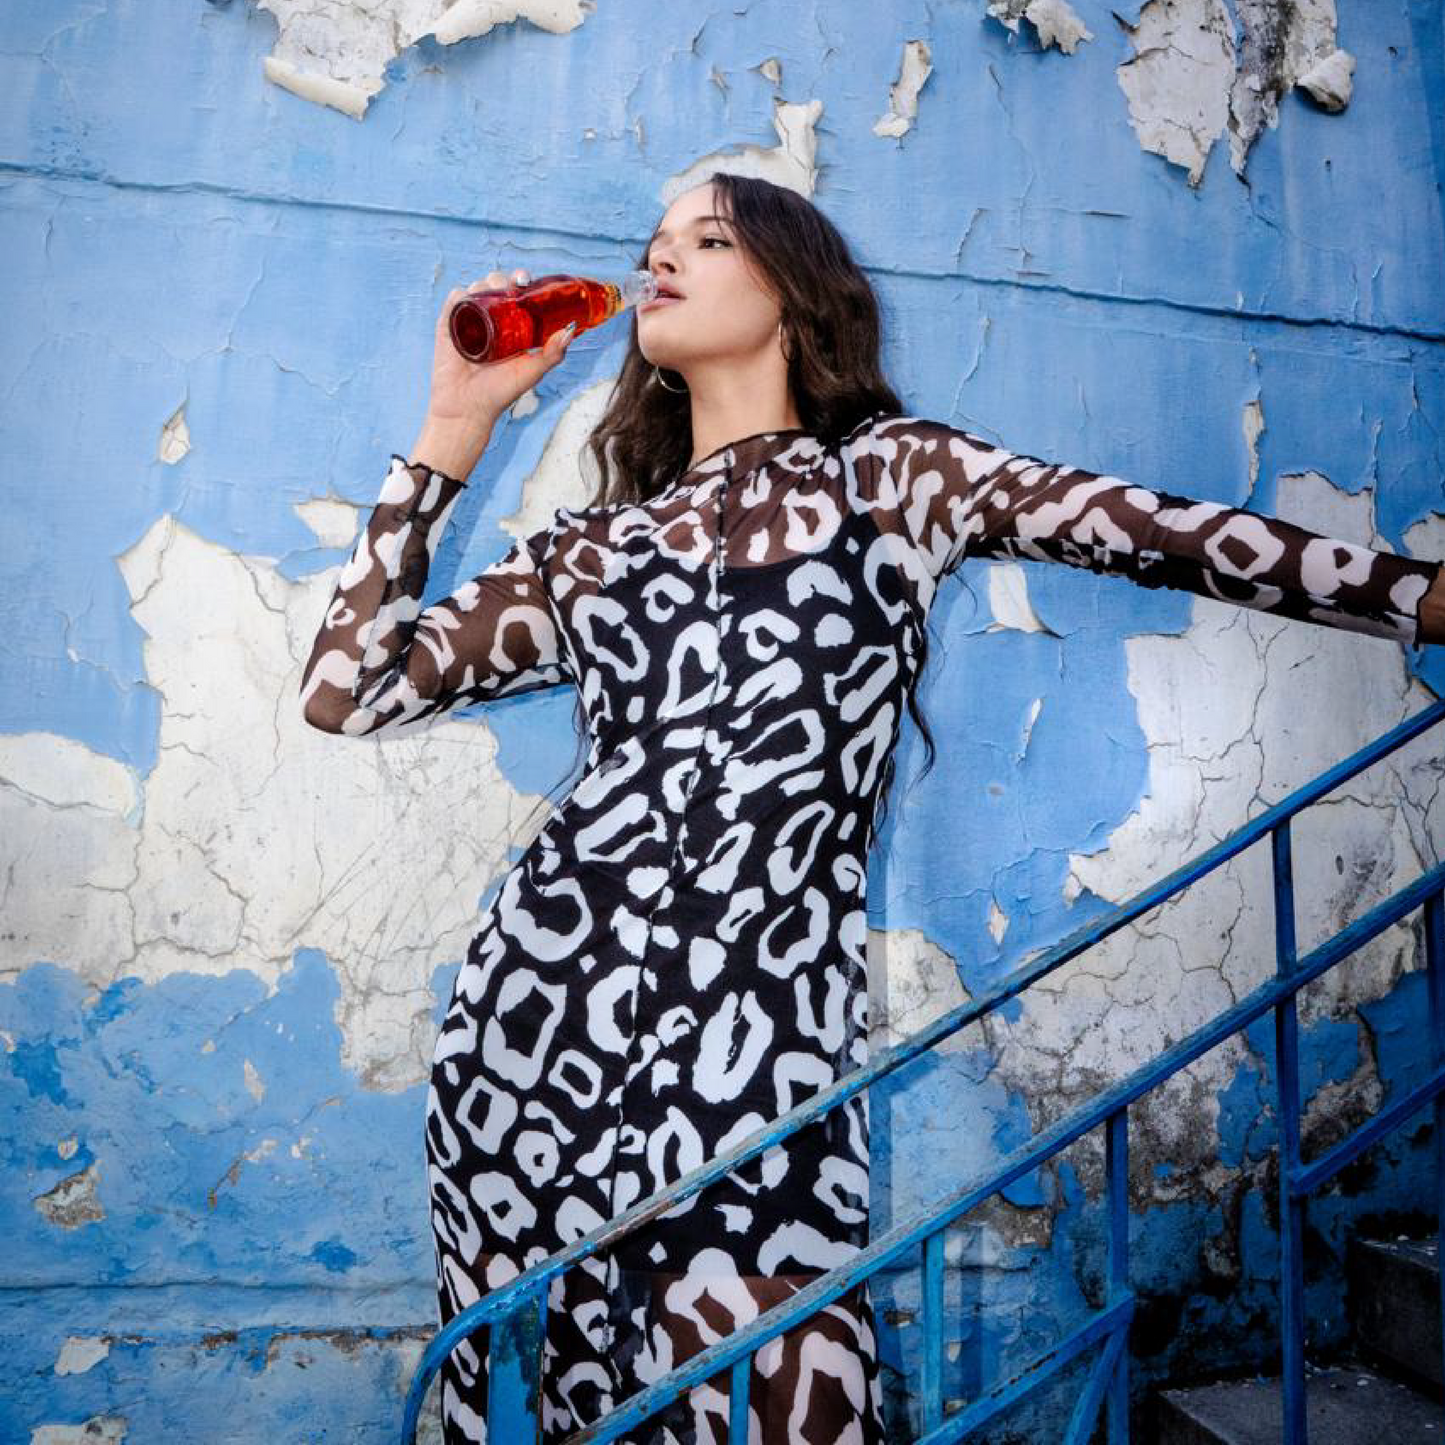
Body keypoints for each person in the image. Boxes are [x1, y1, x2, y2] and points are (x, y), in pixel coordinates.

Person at [298, 172, 1445, 1444]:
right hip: (536, 1021)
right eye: (653, 246)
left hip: (759, 1029)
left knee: (792, 1385)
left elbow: (1166, 534)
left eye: (708, 238)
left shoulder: (893, 481)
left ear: (792, 290)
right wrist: (453, 420)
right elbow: (348, 692)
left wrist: (1418, 597)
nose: (661, 261)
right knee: (560, 1397)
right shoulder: (597, 549)